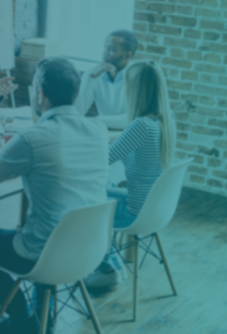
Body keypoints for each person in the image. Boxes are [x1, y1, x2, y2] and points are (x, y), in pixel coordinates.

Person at [0, 57, 109, 334]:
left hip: (44, 256)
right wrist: (8, 153)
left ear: (40, 94)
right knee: (50, 222)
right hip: (91, 250)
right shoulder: (98, 130)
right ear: (75, 93)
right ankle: (42, 316)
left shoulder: (33, 138)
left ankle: (23, 317)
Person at [84, 60, 176, 289]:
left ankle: (106, 267)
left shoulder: (140, 126)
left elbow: (101, 160)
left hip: (134, 213)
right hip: (155, 208)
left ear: (135, 90)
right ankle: (112, 262)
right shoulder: (165, 121)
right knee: (103, 189)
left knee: (81, 207)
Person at [75, 29, 138, 130]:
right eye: (105, 47)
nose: (104, 53)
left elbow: (134, 118)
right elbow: (77, 113)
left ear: (127, 55)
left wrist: (95, 121)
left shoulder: (139, 77)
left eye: (111, 49)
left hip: (129, 135)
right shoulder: (94, 72)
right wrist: (90, 78)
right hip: (103, 133)